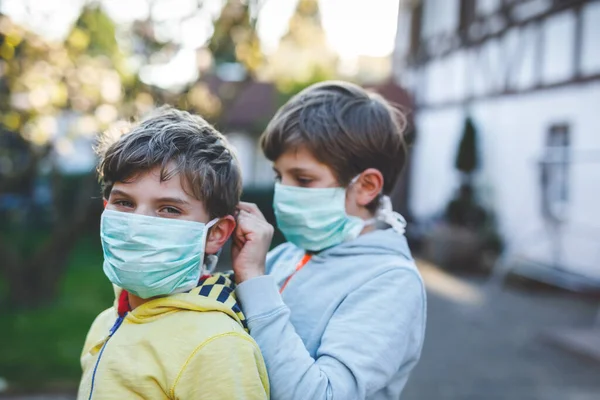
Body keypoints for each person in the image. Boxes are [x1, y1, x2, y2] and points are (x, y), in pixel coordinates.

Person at [232, 81, 427, 400]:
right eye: (279, 177)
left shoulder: (391, 281)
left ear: (366, 186)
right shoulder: (287, 255)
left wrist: (254, 280)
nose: (284, 191)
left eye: (303, 179)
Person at [78, 108, 269, 399]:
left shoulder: (218, 345)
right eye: (125, 203)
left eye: (169, 209)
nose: (137, 226)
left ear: (215, 233)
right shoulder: (107, 321)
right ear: (107, 208)